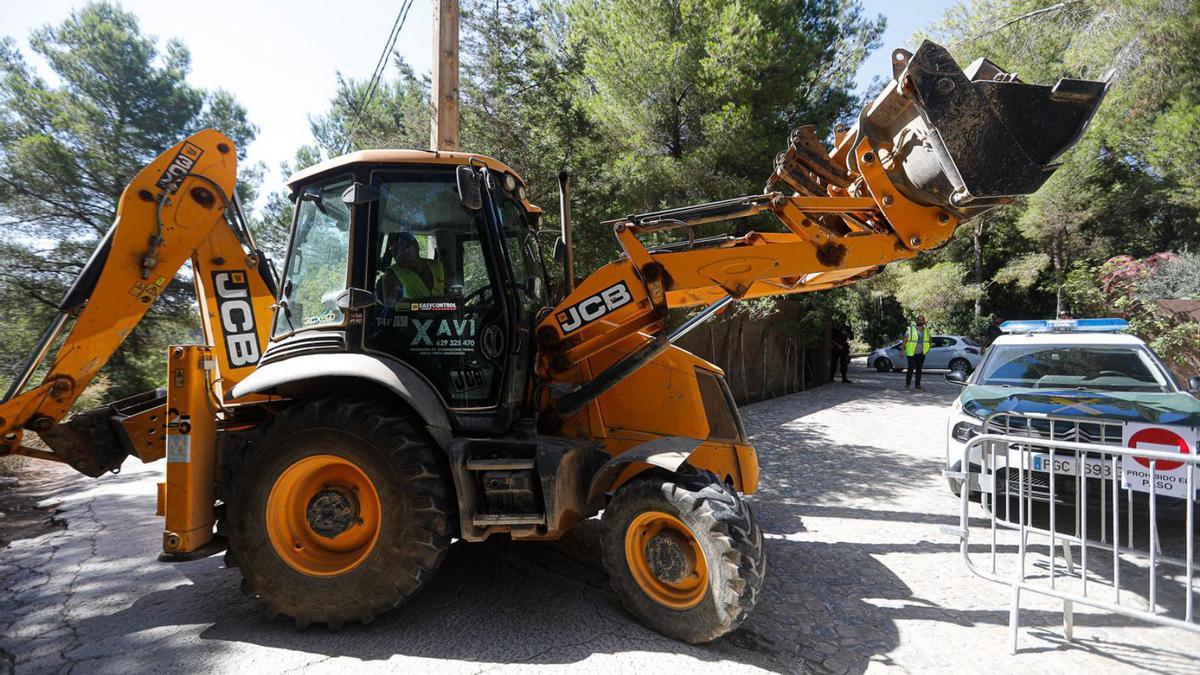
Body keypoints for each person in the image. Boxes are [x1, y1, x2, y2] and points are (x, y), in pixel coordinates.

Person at [378, 232, 445, 305]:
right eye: (395, 251)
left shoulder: (438, 266)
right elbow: (391, 308)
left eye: (405, 248)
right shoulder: (391, 274)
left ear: (416, 247)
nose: (400, 254)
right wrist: (426, 303)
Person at [902, 315, 931, 391]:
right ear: (916, 321)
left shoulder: (926, 330)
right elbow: (904, 340)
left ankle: (917, 385)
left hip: (921, 353)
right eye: (919, 320)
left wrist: (927, 349)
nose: (921, 321)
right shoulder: (911, 329)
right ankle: (907, 385)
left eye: (922, 320)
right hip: (912, 353)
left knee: (919, 370)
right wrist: (902, 351)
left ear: (924, 321)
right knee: (910, 369)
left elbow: (929, 340)